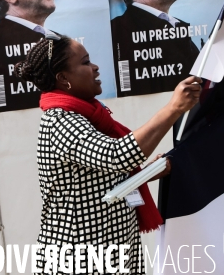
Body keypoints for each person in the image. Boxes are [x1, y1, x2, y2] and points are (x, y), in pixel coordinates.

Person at [14, 35, 201, 273]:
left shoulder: (88, 115)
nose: (95, 67)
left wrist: (146, 174)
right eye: (85, 62)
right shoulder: (60, 121)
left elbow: (103, 176)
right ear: (63, 79)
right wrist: (173, 108)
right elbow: (117, 156)